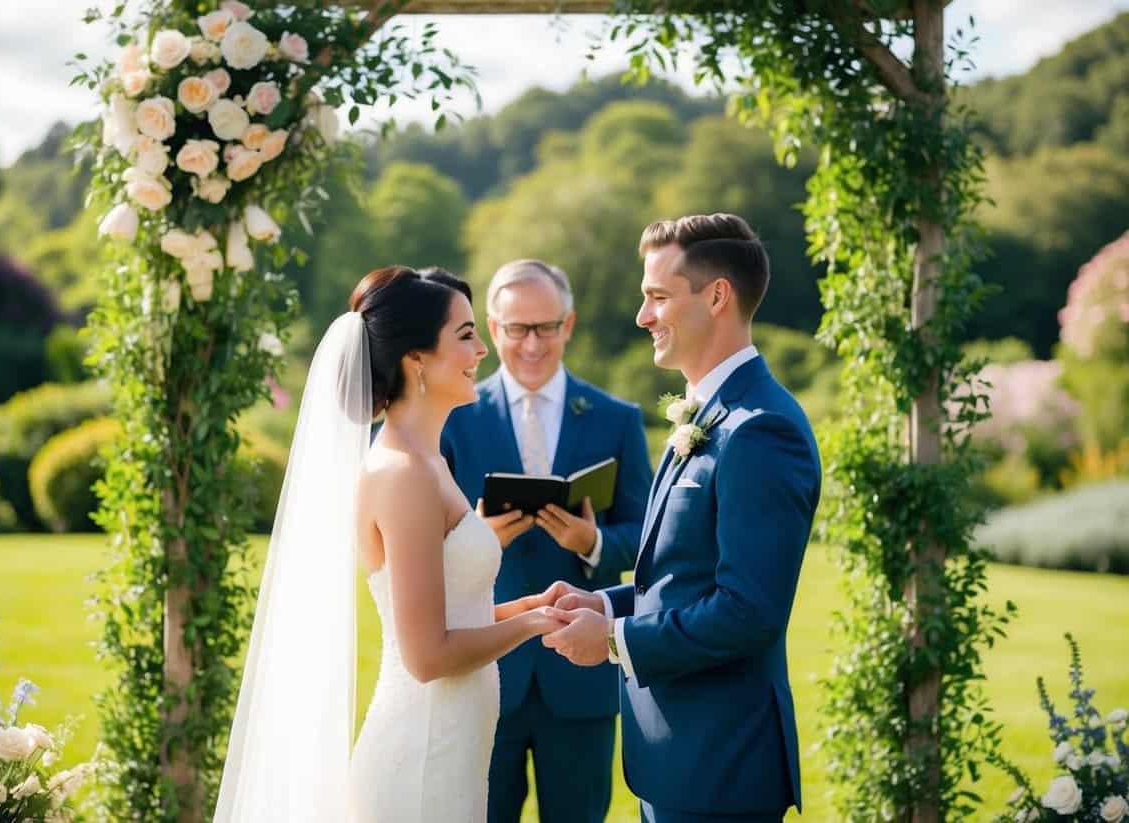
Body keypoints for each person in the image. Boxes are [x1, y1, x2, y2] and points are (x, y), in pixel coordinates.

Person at [214, 266, 565, 823]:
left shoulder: (430, 462)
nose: (482, 351)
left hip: (452, 750)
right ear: (417, 359)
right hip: (421, 756)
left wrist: (530, 606)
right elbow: (427, 656)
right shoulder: (402, 474)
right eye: (467, 335)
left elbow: (451, 613)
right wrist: (532, 627)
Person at [541, 214, 822, 823]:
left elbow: (748, 611)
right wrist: (606, 605)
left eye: (658, 297)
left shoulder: (762, 430)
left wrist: (613, 642)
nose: (643, 316)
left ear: (717, 295)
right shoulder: (709, 413)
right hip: (678, 763)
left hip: (721, 766)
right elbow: (682, 576)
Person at [440, 259, 652, 823]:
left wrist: (593, 542)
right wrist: (475, 539)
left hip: (580, 675)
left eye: (545, 327)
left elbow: (650, 537)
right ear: (491, 327)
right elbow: (411, 546)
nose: (531, 344)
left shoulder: (617, 419)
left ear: (569, 325)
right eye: (516, 329)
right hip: (483, 668)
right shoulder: (451, 420)